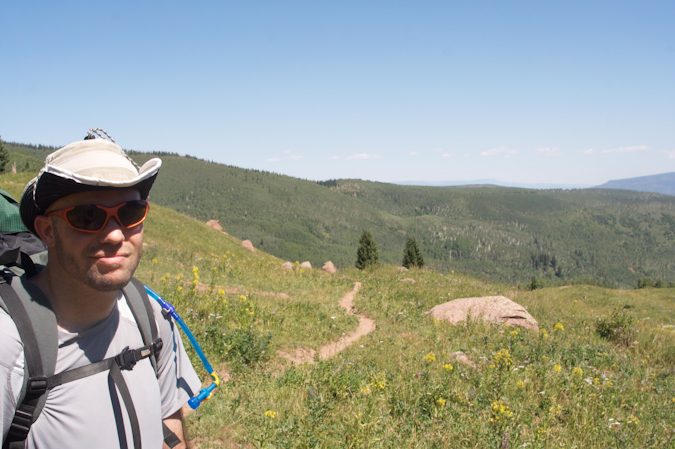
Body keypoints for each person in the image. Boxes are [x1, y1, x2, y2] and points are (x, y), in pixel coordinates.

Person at [0, 132, 201, 449]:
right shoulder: (9, 346)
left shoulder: (150, 315)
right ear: (47, 231)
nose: (114, 235)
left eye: (130, 213)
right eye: (87, 216)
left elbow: (168, 424)